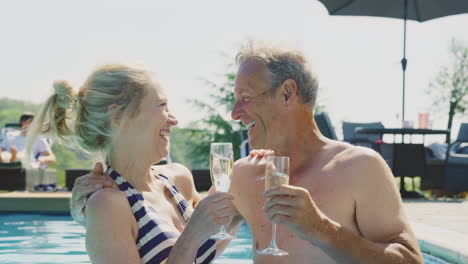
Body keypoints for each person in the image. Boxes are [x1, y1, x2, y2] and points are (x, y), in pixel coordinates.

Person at [71, 43, 424, 264]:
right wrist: (83, 210)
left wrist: (322, 230)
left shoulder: (361, 168)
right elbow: (178, 228)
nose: (234, 113)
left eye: (246, 98)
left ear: (287, 94)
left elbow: (410, 261)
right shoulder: (244, 175)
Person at [28, 63, 240, 264]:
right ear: (118, 116)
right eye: (161, 106)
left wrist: (239, 208)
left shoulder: (177, 178)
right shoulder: (107, 204)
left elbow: (207, 247)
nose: (173, 119)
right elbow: (195, 238)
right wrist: (191, 236)